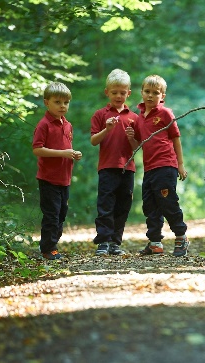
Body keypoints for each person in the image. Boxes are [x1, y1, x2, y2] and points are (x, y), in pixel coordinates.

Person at [125, 74, 190, 257]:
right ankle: (155, 242)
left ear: (162, 96)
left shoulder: (165, 113)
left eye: (155, 93)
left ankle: (181, 237)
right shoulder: (139, 118)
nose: (150, 96)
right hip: (150, 168)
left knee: (168, 202)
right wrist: (131, 137)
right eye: (147, 91)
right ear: (141, 92)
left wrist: (180, 164)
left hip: (166, 165)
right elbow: (137, 146)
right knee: (150, 205)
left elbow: (176, 138)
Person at [90, 69, 138, 256]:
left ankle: (115, 242)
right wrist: (107, 129)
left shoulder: (134, 117)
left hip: (128, 168)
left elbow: (137, 147)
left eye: (122, 92)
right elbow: (94, 141)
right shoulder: (100, 115)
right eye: (114, 92)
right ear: (107, 92)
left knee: (123, 206)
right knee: (105, 205)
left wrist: (133, 138)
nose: (118, 96)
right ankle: (103, 241)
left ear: (129, 93)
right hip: (107, 167)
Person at [32, 82, 82, 260]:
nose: (62, 106)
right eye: (57, 102)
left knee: (61, 214)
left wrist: (73, 154)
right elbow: (37, 149)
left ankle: (54, 244)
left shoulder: (67, 125)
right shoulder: (44, 125)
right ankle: (48, 248)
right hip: (48, 178)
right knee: (51, 214)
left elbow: (65, 147)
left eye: (66, 103)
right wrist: (63, 153)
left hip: (64, 178)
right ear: (47, 103)